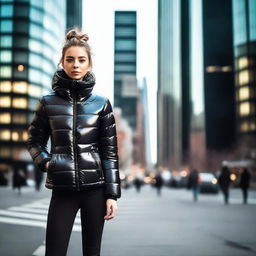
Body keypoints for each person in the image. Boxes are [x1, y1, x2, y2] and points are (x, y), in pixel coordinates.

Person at [27, 28, 121, 256]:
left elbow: (110, 153)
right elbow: (34, 141)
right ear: (62, 62)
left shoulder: (101, 104)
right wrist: (47, 162)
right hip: (62, 190)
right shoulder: (47, 102)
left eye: (81, 60)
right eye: (70, 60)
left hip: (95, 191)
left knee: (92, 252)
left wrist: (112, 195)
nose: (75, 65)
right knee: (55, 251)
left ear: (89, 64)